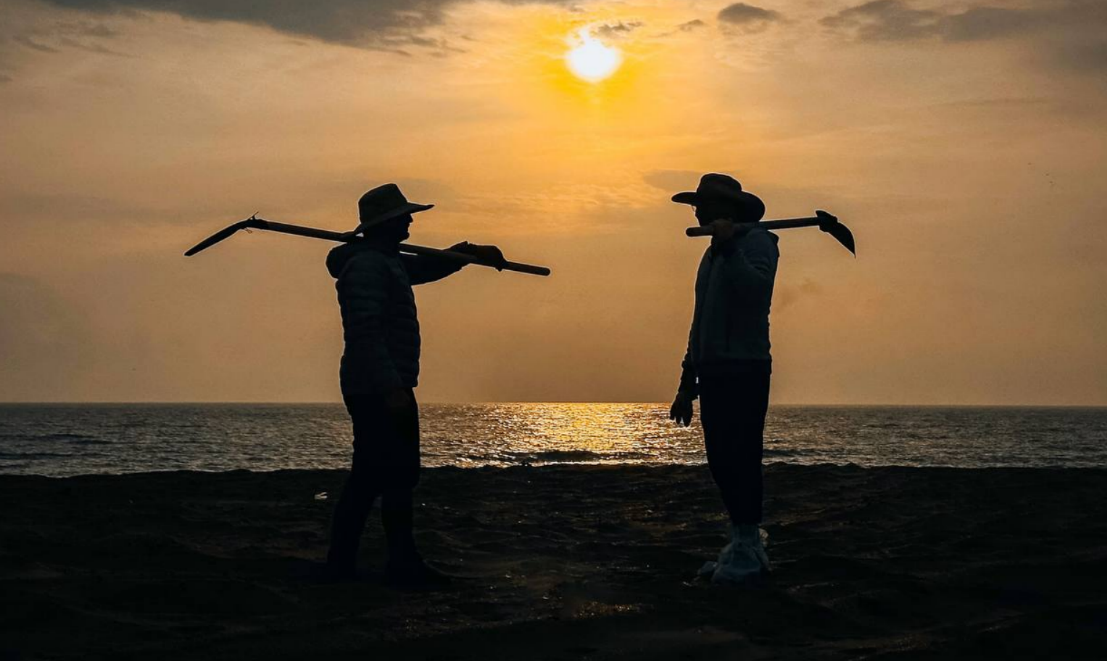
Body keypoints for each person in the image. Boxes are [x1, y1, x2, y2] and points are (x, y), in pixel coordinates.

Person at [324, 183, 505, 586]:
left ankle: (390, 561)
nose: (410, 220)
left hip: (388, 382)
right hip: (377, 387)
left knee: (394, 475)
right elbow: (364, 331)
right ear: (386, 222)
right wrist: (390, 387)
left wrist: (468, 253)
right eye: (404, 215)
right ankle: (363, 565)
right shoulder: (368, 266)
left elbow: (424, 268)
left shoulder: (385, 260)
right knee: (375, 475)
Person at [668, 173, 779, 584]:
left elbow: (756, 291)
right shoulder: (712, 254)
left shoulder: (757, 242)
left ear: (724, 210)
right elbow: (701, 321)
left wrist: (730, 245)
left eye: (701, 204)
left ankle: (750, 545)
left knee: (741, 458)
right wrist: (686, 381)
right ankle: (740, 537)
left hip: (745, 367)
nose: (696, 212)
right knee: (720, 462)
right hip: (712, 369)